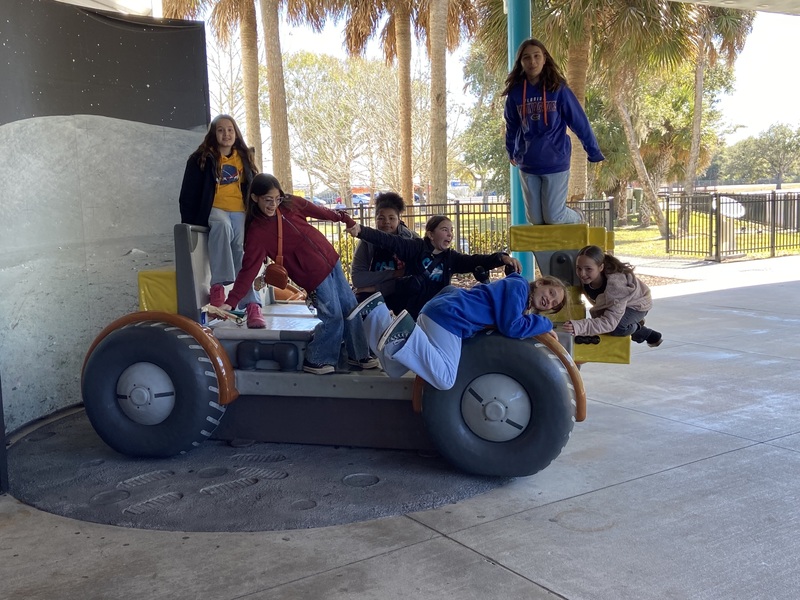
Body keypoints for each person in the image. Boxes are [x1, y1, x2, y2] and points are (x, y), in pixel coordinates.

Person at [219, 173, 378, 375]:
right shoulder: (257, 233)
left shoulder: (291, 204)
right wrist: (230, 302)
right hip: (312, 274)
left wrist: (345, 219)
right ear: (254, 198)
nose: (273, 204)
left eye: (277, 199)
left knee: (350, 308)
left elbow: (319, 211)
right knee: (332, 316)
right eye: (268, 200)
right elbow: (247, 271)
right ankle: (317, 358)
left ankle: (358, 355)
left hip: (331, 260)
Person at [347, 273, 566, 391]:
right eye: (551, 292)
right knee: (445, 379)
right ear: (540, 282)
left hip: (441, 313)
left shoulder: (520, 301)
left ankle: (375, 312)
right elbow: (511, 327)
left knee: (394, 367)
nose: (549, 300)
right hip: (450, 318)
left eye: (553, 304)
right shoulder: (519, 287)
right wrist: (546, 325)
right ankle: (405, 332)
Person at [502, 38, 604, 225]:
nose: (532, 62)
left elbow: (579, 121)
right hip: (528, 163)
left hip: (555, 160)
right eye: (526, 58)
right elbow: (512, 125)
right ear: (521, 63)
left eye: (536, 56)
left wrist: (593, 150)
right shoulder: (516, 94)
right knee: (535, 219)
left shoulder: (558, 89)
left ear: (544, 59)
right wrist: (511, 150)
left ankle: (578, 216)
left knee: (554, 217)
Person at [346, 215, 522, 319]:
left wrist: (502, 258)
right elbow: (388, 240)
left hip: (435, 314)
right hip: (410, 312)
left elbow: (475, 260)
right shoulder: (415, 248)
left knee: (453, 293)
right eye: (445, 230)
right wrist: (361, 230)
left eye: (451, 230)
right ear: (430, 234)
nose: (450, 234)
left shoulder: (451, 258)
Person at [178, 114, 264, 327]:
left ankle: (252, 305)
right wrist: (190, 223)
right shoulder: (201, 158)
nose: (226, 134)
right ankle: (218, 286)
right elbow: (188, 193)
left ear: (236, 134)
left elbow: (255, 188)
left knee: (239, 248)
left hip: (239, 210)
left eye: (230, 130)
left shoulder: (243, 158)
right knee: (222, 227)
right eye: (221, 130)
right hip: (214, 208)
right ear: (213, 134)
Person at [562, 245, 663, 347]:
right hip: (617, 304)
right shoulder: (587, 278)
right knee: (606, 323)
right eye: (579, 268)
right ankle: (639, 328)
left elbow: (609, 323)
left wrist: (579, 326)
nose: (582, 274)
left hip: (637, 305)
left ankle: (640, 329)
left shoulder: (616, 287)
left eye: (588, 269)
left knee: (617, 328)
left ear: (601, 267)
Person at [350, 192, 419, 314]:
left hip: (402, 293)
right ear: (375, 220)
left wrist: (376, 287)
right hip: (373, 296)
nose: (386, 222)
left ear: (399, 219)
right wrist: (396, 274)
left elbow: (415, 278)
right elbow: (358, 279)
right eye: (381, 218)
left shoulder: (411, 239)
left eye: (391, 218)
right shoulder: (366, 242)